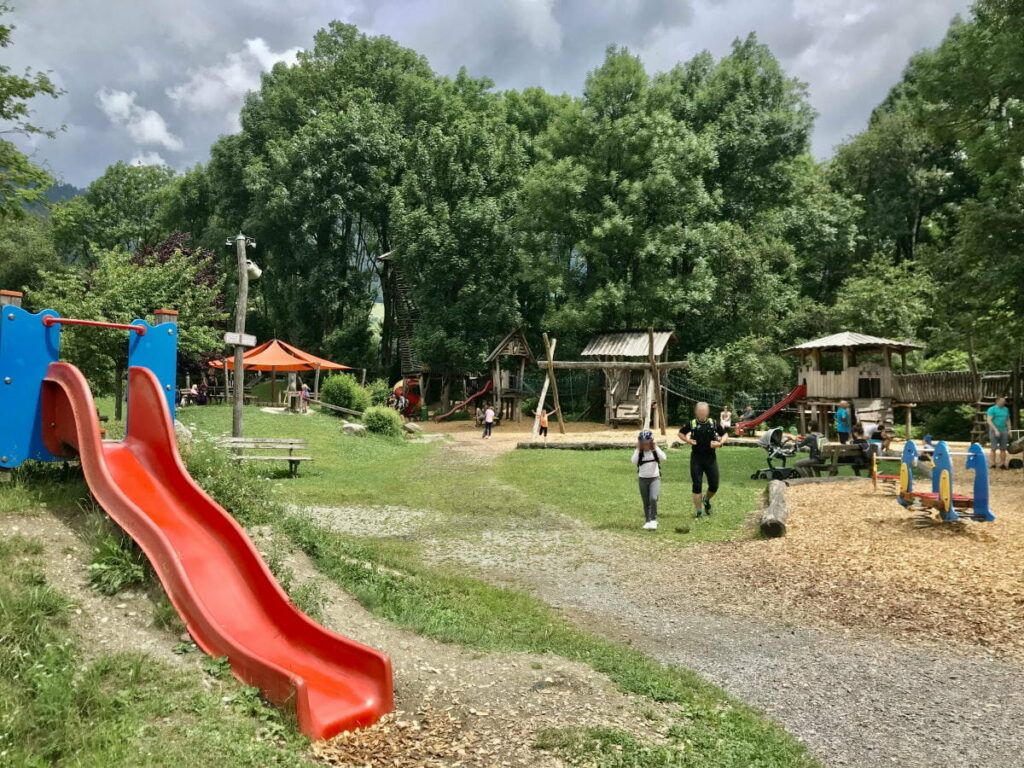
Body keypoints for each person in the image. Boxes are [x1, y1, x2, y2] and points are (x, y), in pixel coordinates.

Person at [678, 401, 728, 518]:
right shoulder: (692, 423)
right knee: (697, 484)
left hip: (710, 458)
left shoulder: (713, 423)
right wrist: (688, 441)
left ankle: (706, 499)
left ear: (707, 412)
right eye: (700, 412)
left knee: (714, 485)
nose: (702, 414)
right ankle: (698, 511)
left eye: (704, 411)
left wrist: (720, 443)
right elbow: (680, 433)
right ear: (696, 412)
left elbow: (725, 435)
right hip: (697, 458)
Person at [631, 430, 666, 530]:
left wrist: (655, 447)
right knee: (646, 502)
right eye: (643, 443)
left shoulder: (654, 451)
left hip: (654, 479)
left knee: (653, 498)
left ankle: (654, 520)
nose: (645, 445)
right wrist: (637, 449)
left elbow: (664, 457)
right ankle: (648, 520)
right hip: (642, 479)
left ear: (651, 442)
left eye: (647, 443)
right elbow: (633, 461)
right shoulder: (639, 452)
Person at [986, 396, 1011, 469]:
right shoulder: (992, 409)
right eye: (1002, 401)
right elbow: (989, 420)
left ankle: (1002, 464)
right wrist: (996, 430)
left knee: (1003, 448)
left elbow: (1008, 420)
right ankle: (992, 464)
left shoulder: (1006, 409)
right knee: (993, 448)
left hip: (1003, 430)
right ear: (997, 401)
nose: (1004, 402)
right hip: (994, 430)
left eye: (1004, 401)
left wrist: (1009, 429)